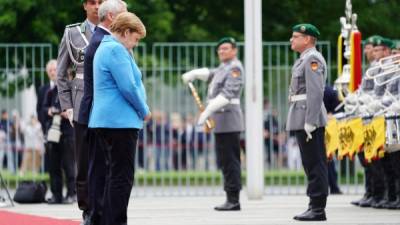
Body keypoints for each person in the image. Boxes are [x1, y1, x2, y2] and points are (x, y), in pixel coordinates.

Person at [89, 12, 151, 225]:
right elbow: (128, 86)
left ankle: (108, 220)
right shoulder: (116, 49)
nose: (135, 44)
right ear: (126, 32)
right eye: (135, 39)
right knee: (122, 178)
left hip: (107, 121)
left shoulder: (104, 47)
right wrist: (144, 110)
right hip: (119, 122)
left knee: (112, 176)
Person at [182, 37, 244, 211]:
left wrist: (207, 111)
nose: (222, 51)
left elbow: (229, 93)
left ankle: (234, 199)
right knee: (224, 161)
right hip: (221, 121)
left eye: (225, 48)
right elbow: (211, 74)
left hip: (229, 120)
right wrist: (194, 73)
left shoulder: (235, 67)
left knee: (231, 162)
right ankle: (230, 197)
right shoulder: (224, 68)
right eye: (220, 49)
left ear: (234, 50)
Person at [80, 1, 127, 223]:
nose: (127, 19)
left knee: (100, 169)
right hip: (97, 114)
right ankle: (96, 216)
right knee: (100, 171)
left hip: (94, 113)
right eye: (124, 14)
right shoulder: (103, 42)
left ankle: (97, 215)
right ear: (110, 16)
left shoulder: (100, 39)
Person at [56, 0, 101, 223]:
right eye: (92, 2)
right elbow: (61, 72)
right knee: (83, 161)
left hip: (106, 101)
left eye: (101, 2)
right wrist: (67, 106)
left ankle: (105, 208)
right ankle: (88, 211)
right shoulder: (72, 33)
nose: (97, 6)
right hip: (81, 101)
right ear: (85, 5)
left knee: (106, 161)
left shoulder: (114, 29)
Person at [286, 24, 328, 221]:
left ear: (308, 39)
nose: (291, 40)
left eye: (295, 37)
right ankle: (314, 205)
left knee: (315, 163)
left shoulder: (312, 58)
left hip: (308, 118)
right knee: (310, 163)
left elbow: (315, 91)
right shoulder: (303, 59)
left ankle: (318, 208)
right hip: (301, 115)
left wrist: (310, 121)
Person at [43, 82, 76, 204]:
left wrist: (67, 113)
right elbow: (44, 108)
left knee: (69, 165)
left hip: (68, 133)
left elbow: (76, 108)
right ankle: (56, 195)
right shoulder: (51, 91)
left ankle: (71, 194)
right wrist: (51, 111)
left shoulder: (71, 88)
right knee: (54, 166)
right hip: (54, 132)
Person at [36, 59, 57, 173]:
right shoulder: (42, 90)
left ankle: (70, 191)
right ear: (47, 72)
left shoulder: (66, 86)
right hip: (49, 131)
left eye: (55, 69)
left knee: (68, 165)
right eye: (50, 70)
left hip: (65, 132)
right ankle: (55, 191)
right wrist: (45, 127)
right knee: (52, 165)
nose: (53, 72)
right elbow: (39, 110)